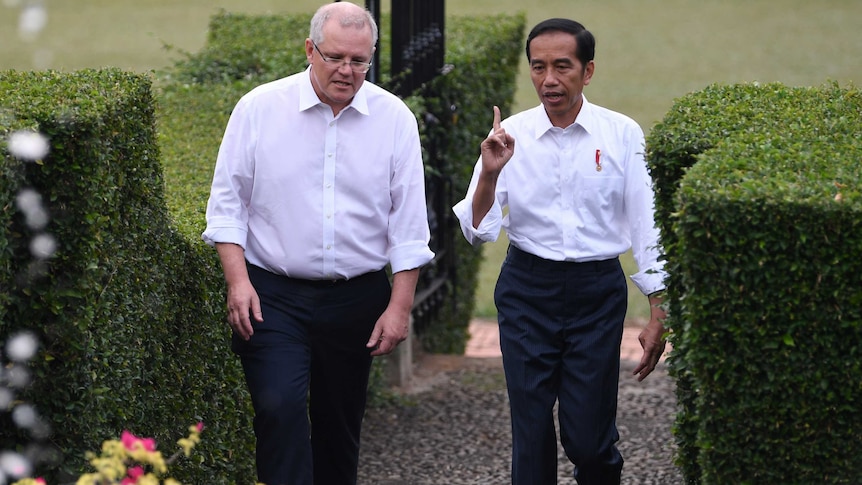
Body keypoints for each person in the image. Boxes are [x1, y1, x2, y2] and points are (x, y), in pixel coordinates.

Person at [201, 2, 434, 484]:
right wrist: (238, 282)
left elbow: (409, 227)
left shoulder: (395, 119)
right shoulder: (260, 108)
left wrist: (399, 307)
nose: (347, 71)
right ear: (310, 50)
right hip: (273, 296)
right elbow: (227, 205)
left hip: (357, 298)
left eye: (360, 61)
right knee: (278, 407)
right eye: (335, 57)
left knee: (339, 427)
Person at [452, 18, 668, 485]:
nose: (549, 79)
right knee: (530, 434)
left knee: (590, 440)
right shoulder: (509, 135)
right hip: (527, 290)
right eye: (538, 67)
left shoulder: (622, 134)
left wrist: (658, 310)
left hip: (598, 293)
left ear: (588, 71)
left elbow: (646, 223)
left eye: (562, 66)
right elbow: (477, 230)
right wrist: (489, 173)